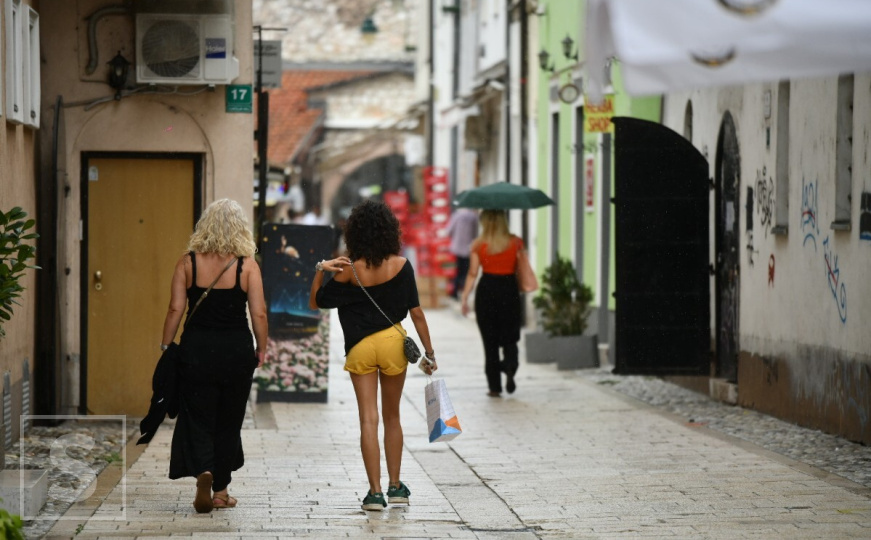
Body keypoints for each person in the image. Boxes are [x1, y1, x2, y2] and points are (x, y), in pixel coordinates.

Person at [308, 199, 437, 511]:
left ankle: (375, 493)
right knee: (392, 417)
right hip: (394, 345)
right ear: (390, 231)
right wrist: (429, 352)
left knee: (368, 418)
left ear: (355, 234)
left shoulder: (349, 270)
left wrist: (320, 269)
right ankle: (396, 488)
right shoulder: (402, 266)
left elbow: (316, 303)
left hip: (360, 349)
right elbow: (416, 313)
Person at [159, 198, 267, 514]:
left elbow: (175, 308)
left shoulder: (187, 263)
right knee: (229, 421)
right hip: (236, 352)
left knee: (199, 417)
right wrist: (262, 347)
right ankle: (220, 491)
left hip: (196, 351)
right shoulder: (247, 266)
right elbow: (258, 313)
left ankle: (203, 469)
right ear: (240, 229)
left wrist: (167, 347)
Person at [460, 210, 524, 397]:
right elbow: (520, 268)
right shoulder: (515, 242)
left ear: (485, 222)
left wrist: (465, 297)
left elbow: (472, 273)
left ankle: (494, 386)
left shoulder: (479, 244)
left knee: (490, 342)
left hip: (487, 290)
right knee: (510, 336)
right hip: (509, 289)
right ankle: (510, 365)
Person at [446, 207, 479, 299]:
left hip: (456, 248)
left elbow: (449, 231)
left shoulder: (456, 215)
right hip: (468, 249)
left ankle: (455, 291)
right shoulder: (474, 217)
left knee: (457, 271)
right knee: (466, 272)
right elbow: (475, 234)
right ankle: (465, 291)